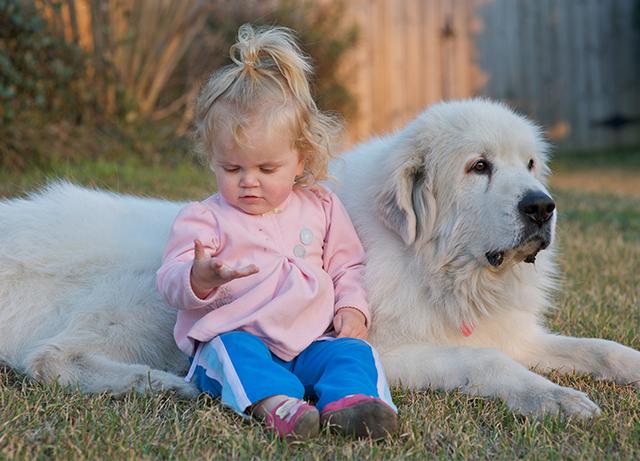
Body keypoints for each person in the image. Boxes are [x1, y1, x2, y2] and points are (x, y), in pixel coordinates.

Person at [156, 24, 397, 439]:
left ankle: (354, 404)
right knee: (230, 352)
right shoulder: (204, 219)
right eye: (232, 169)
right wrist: (199, 277)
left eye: (267, 169)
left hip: (311, 339)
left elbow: (347, 264)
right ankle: (277, 405)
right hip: (243, 338)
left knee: (353, 352)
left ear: (300, 160)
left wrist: (353, 308)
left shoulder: (321, 205)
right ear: (212, 160)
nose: (249, 181)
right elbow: (169, 280)